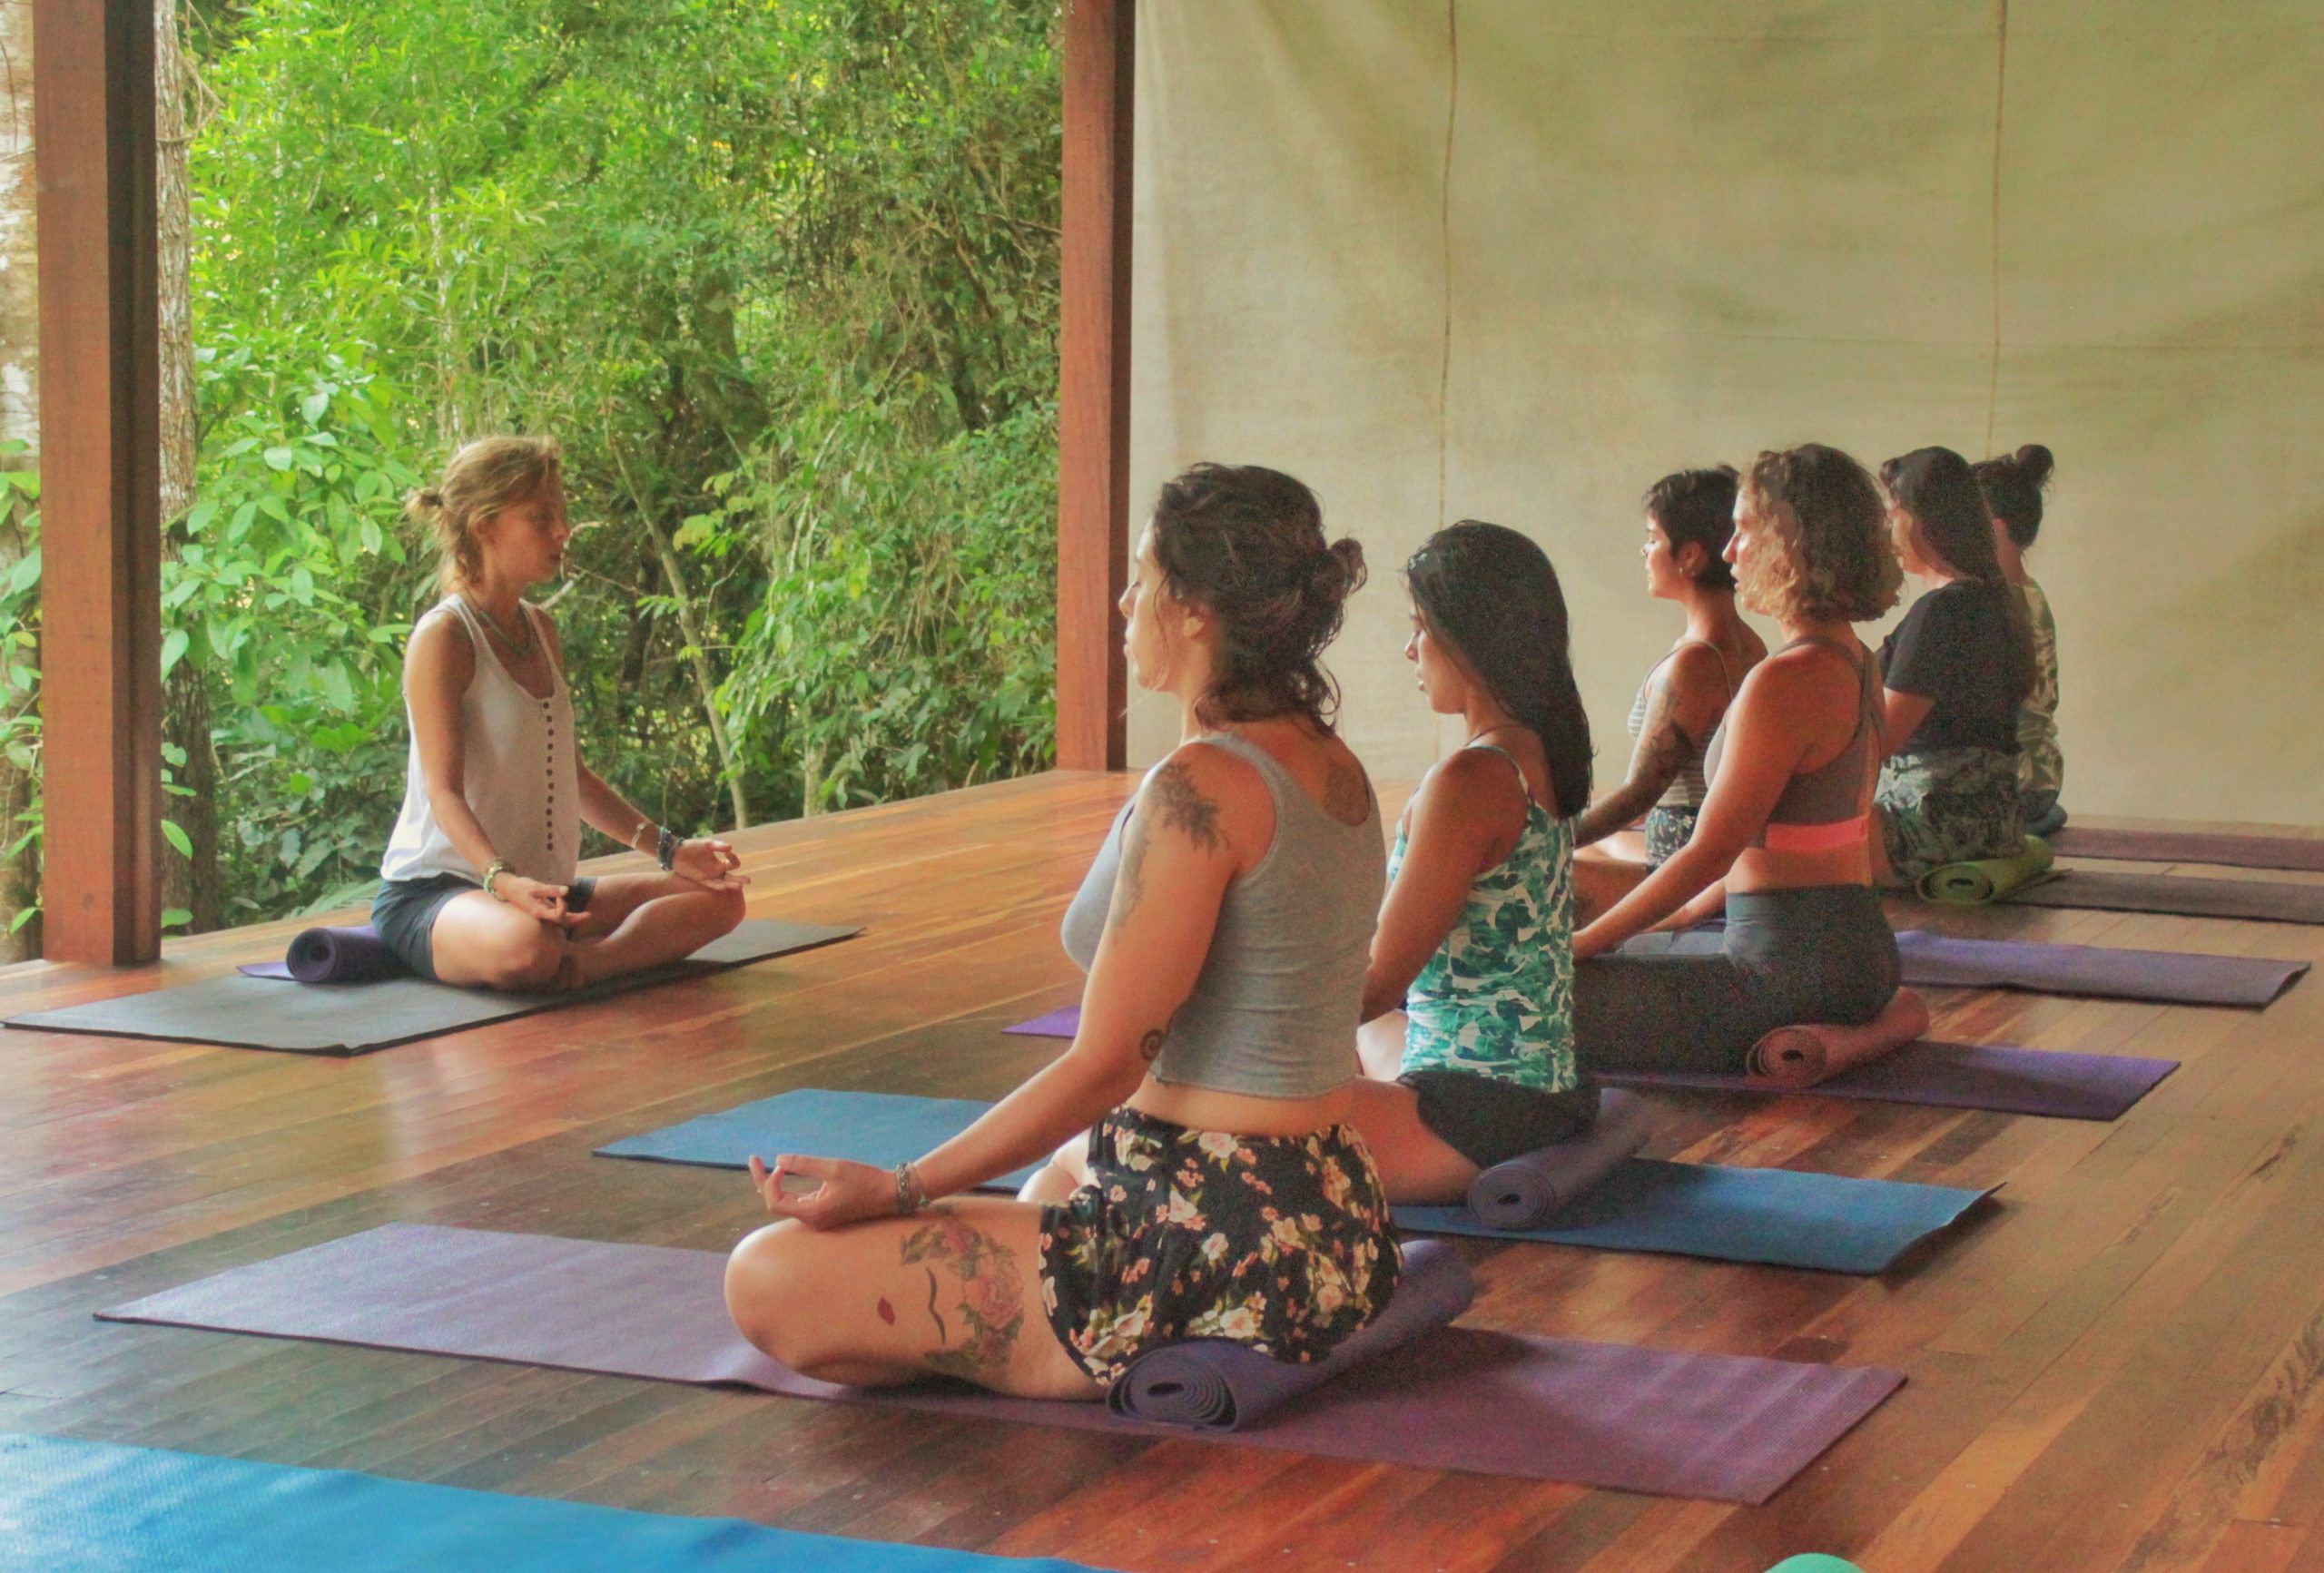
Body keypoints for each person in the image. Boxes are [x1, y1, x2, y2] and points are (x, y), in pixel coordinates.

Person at [724, 463, 1398, 1399]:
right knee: (1057, 1172)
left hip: (1211, 1240)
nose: (1125, 600)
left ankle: (1069, 1334)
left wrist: (900, 1186)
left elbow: (1105, 1062)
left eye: (1141, 575)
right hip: (1331, 1217)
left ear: (1196, 608)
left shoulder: (1203, 786)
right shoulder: (1336, 768)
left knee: (766, 1275)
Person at [1569, 445, 1905, 1076]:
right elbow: (1783, 842)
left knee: (1528, 1002)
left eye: (1744, 532)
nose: (1730, 553)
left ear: (1792, 543)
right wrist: (1667, 923)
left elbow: (1710, 851)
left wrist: (1584, 945)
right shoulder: (1860, 660)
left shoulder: (1784, 680)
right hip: (1862, 958)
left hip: (1783, 972)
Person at [376, 436, 748, 990]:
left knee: (721, 899)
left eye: (561, 514)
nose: (562, 532)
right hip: (442, 892)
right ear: (486, 526)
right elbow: (442, 794)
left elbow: (572, 778)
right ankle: (555, 953)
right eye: (541, 517)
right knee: (526, 946)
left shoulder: (540, 629)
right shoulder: (444, 636)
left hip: (542, 893)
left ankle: (583, 965)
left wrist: (672, 851)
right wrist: (503, 883)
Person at [1343, 522, 1600, 1204]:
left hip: (1477, 1114)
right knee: (1361, 1035)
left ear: (1468, 639)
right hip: (1546, 1085)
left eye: (1420, 628)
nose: (1410, 648)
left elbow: (1374, 984)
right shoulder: (1536, 750)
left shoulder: (1470, 780)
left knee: (1209, 1106)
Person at [1573, 467, 1766, 870]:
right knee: (1592, 847)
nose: (1644, 552)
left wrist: (1550, 839)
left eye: (1653, 539)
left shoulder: (1694, 663)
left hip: (1684, 856)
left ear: (1691, 555)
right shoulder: (1749, 643)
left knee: (1567, 856)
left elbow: (1641, 792)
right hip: (1706, 840)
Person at [1870, 446, 2039, 885]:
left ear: (1922, 520)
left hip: (1937, 822)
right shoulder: (1992, 599)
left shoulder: (1945, 610)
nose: (1888, 527)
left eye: (1893, 512)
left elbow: (1879, 739)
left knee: (1779, 835)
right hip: (1994, 822)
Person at [1974, 443, 2064, 837]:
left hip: (2009, 786)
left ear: (1993, 529)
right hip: (2040, 779)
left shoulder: (1988, 604)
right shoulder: (2028, 592)